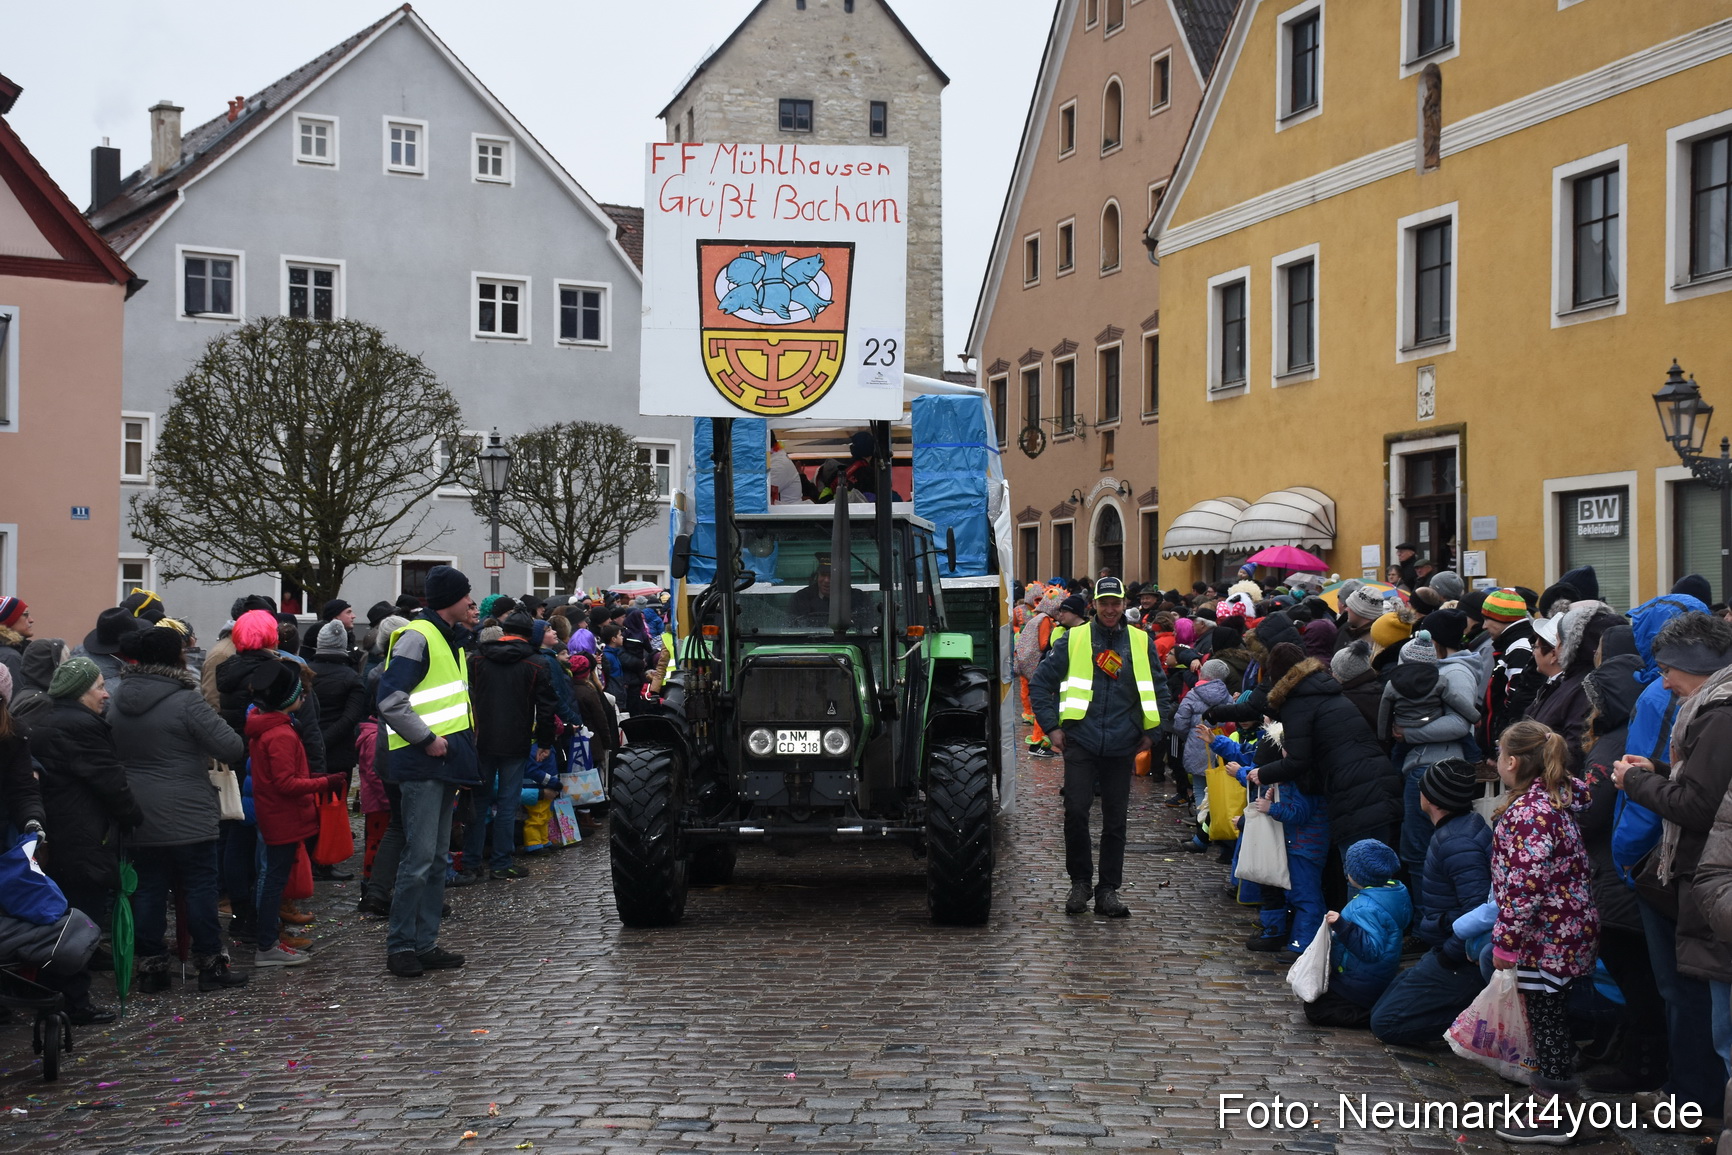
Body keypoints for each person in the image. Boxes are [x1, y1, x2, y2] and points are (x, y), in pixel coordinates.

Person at [1613, 610, 1732, 1125]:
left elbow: (1699, 807)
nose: (1664, 681)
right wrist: (1659, 770)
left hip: (1707, 874)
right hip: (1698, 870)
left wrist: (1638, 785)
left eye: (1667, 669)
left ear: (1695, 664)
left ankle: (1701, 1106)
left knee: (1703, 1003)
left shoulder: (1720, 713)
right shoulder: (1710, 708)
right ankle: (1696, 1100)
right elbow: (1703, 786)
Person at [109, 626, 250, 993]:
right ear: (177, 657)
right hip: (187, 809)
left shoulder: (116, 696)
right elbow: (231, 746)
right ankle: (210, 964)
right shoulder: (186, 700)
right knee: (200, 886)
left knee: (149, 889)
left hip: (136, 809)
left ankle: (152, 968)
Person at [1488, 720, 1600, 1145]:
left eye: (1500, 755)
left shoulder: (1531, 814)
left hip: (1548, 938)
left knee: (1548, 1025)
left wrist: (1506, 942)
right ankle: (1555, 1104)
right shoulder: (1551, 803)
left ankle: (1553, 1115)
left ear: (1513, 761)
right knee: (1549, 1023)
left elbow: (1525, 885)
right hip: (1562, 932)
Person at [1031, 577, 1163, 918]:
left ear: (1122, 604)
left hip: (1123, 741)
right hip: (1081, 739)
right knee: (1076, 811)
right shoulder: (1074, 639)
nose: (1110, 609)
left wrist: (1154, 730)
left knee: (1115, 819)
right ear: (1094, 606)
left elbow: (1158, 688)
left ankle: (1108, 890)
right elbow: (1041, 682)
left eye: (1115, 603)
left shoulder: (1139, 640)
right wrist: (1052, 727)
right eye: (1104, 603)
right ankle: (1080, 882)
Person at [376, 564, 479, 979]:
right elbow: (390, 699)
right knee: (419, 859)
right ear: (449, 600)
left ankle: (424, 943)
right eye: (466, 594)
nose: (472, 602)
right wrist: (427, 739)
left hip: (441, 761)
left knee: (435, 859)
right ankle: (402, 946)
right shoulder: (420, 637)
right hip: (424, 761)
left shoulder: (446, 639)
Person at [1250, 649, 1403, 908]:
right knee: (1380, 872)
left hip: (1353, 793)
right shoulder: (1324, 693)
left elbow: (1298, 760)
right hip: (1379, 783)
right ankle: (1381, 933)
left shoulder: (1298, 703)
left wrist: (1262, 773)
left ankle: (1357, 938)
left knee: (1357, 872)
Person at [1369, 759, 1492, 1045]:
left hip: (1461, 958)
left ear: (1431, 798)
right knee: (1378, 1006)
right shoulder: (1460, 828)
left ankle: (1476, 1020)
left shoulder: (1457, 843)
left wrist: (1449, 952)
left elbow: (1478, 914)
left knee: (1386, 1023)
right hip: (1445, 946)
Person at [20, 656, 145, 935]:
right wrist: (133, 816)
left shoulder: (50, 719)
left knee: (68, 895)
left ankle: (77, 951)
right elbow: (109, 780)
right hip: (84, 830)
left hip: (62, 827)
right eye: (99, 687)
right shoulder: (83, 726)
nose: (106, 694)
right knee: (86, 899)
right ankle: (79, 955)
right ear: (80, 692)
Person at [246, 659, 345, 968]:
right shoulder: (281, 735)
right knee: (274, 880)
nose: (305, 697)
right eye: (300, 693)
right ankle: (267, 944)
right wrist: (325, 782)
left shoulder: (273, 727)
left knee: (274, 878)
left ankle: (269, 940)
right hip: (282, 817)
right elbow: (286, 783)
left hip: (278, 815)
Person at [460, 611, 556, 884]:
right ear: (530, 635)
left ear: (504, 630)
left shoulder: (477, 658)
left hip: (481, 739)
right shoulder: (536, 663)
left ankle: (471, 863)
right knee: (507, 803)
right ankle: (501, 863)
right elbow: (547, 707)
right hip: (516, 740)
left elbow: (466, 698)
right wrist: (546, 743)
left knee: (478, 802)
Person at [1302, 839, 1412, 1029]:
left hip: (1359, 980)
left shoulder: (1365, 907)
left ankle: (1371, 1016)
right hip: (1370, 975)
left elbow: (1370, 950)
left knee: (1315, 1009)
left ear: (1358, 875)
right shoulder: (1394, 893)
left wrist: (1342, 926)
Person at [787, 556, 834, 621]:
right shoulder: (800, 598)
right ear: (817, 576)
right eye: (823, 574)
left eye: (832, 575)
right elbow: (791, 625)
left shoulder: (851, 598)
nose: (826, 580)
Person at [0, 596, 31, 680]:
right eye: (25, 615)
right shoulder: (10, 657)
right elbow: (15, 692)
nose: (31, 620)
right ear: (8, 620)